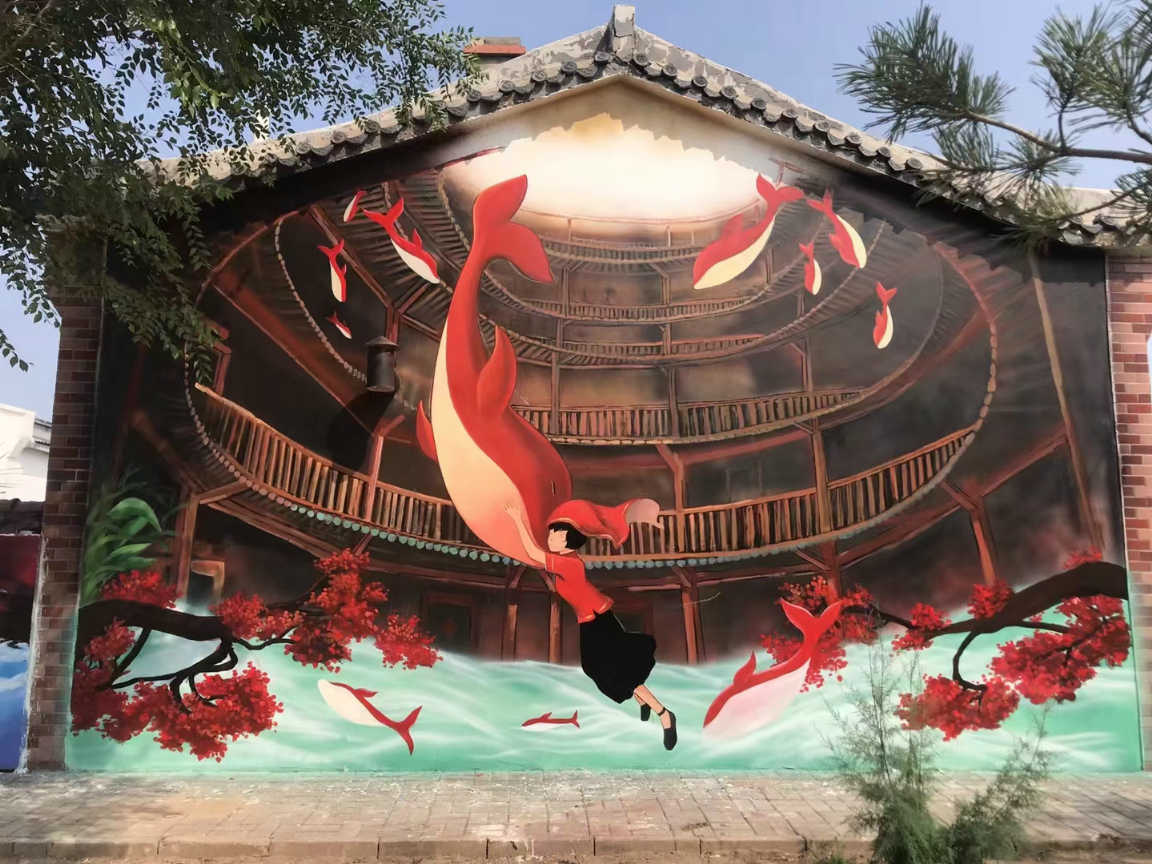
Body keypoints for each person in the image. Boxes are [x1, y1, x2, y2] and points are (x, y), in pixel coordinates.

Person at [505, 502, 677, 750]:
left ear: (569, 539)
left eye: (556, 535)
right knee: (606, 669)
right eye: (551, 534)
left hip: (597, 619)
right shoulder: (564, 559)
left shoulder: (570, 564)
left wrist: (517, 520)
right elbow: (535, 555)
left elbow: (533, 552)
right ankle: (643, 701)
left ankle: (664, 714)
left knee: (610, 670)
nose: (550, 539)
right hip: (591, 619)